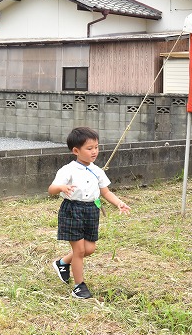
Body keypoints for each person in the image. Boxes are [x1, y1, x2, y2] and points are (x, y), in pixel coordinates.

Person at [48, 126, 131, 299]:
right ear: (76, 150)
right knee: (78, 250)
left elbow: (105, 192)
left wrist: (119, 203)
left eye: (96, 147)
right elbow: (51, 189)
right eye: (89, 148)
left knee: (89, 248)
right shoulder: (68, 170)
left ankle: (62, 263)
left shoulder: (97, 170)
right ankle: (79, 286)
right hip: (73, 210)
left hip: (92, 210)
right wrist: (62, 187)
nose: (94, 152)